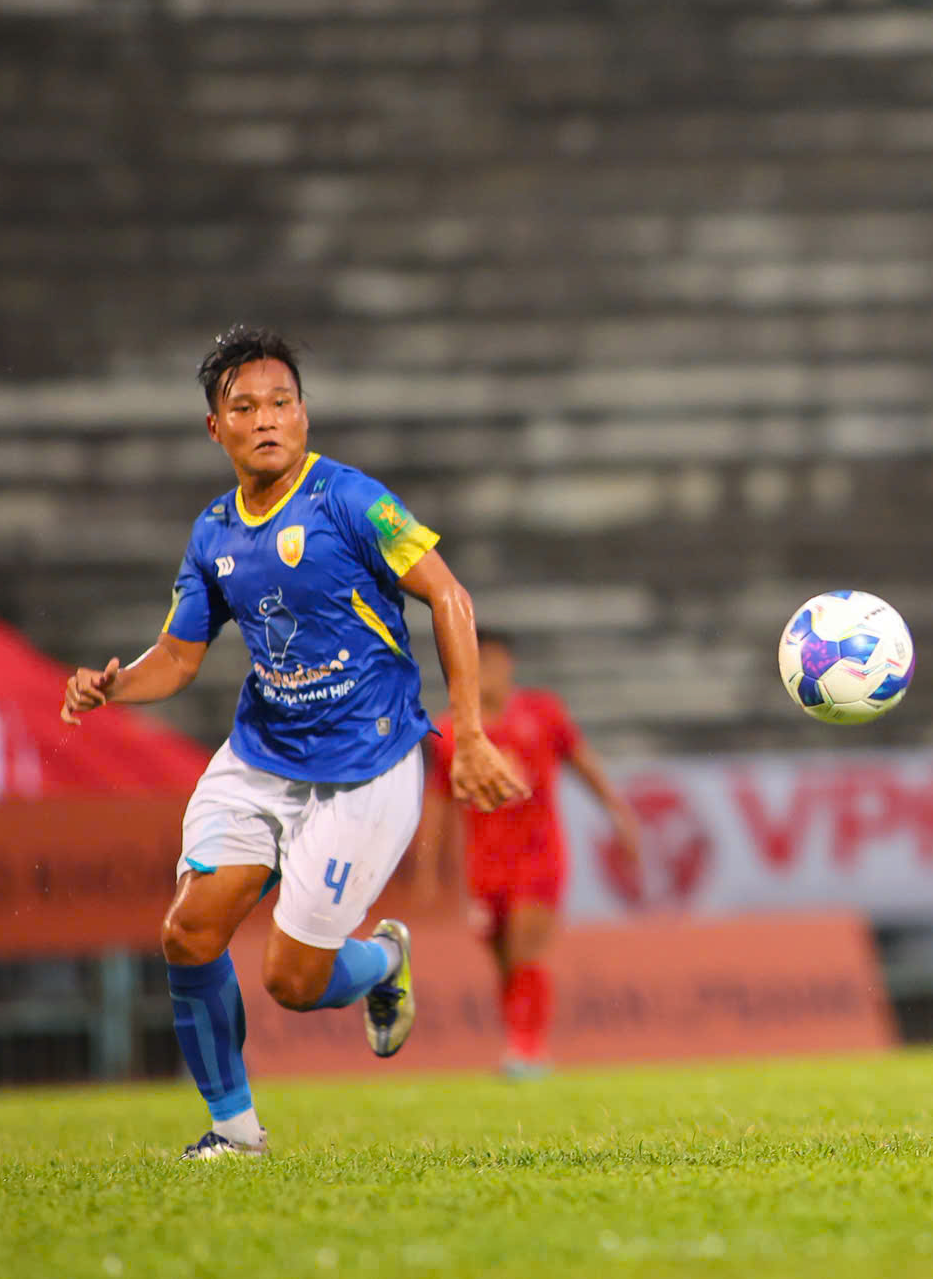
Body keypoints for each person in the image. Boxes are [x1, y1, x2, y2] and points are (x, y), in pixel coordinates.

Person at [60, 326, 524, 1157]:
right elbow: (177, 657)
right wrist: (112, 686)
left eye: (281, 403)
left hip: (367, 767)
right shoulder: (213, 534)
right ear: (216, 429)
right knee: (187, 932)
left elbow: (449, 597)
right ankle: (234, 1133)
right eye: (245, 408)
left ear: (304, 413)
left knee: (292, 982)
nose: (266, 419)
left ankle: (381, 962)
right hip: (261, 757)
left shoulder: (354, 501)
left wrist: (472, 734)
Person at [417, 632, 643, 1078]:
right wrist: (427, 866)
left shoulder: (543, 713)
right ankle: (520, 1044)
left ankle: (528, 1049)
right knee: (504, 960)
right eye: (476, 663)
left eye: (493, 662)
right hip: (485, 864)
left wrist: (619, 814)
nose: (486, 673)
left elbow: (584, 765)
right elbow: (438, 803)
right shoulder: (451, 732)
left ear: (509, 665)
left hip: (539, 856)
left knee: (525, 950)